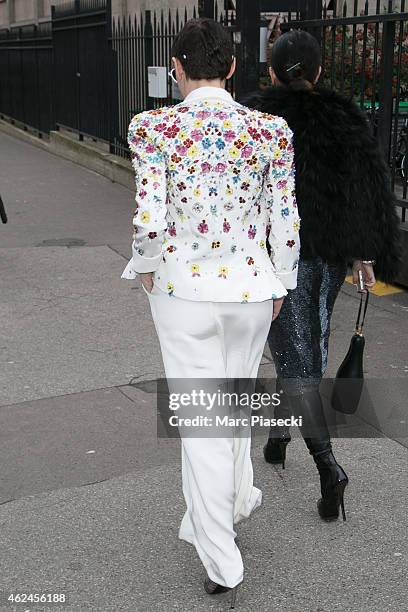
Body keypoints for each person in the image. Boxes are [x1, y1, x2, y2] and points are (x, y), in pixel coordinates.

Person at [121, 18, 300, 606]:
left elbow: (149, 217)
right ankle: (231, 500)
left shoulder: (154, 128)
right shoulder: (269, 131)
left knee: (203, 420)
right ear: (231, 69)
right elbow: (286, 221)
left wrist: (146, 264)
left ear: (176, 69)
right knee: (236, 398)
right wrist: (284, 282)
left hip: (181, 291)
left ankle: (221, 555)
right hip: (252, 288)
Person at [244, 30, 401, 522]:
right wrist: (364, 254)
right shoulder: (344, 118)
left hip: (277, 257)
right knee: (307, 342)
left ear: (271, 72)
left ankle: (328, 468)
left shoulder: (256, 119)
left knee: (296, 354)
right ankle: (277, 438)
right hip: (331, 256)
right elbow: (368, 189)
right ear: (318, 71)